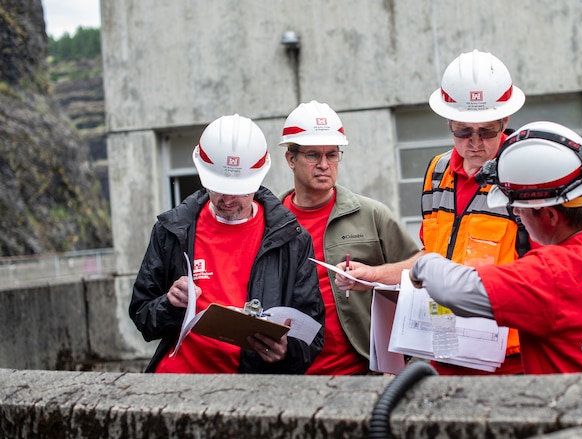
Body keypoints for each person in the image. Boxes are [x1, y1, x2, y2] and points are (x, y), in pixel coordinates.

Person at [410, 121, 582, 383]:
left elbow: (453, 291)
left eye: (518, 209)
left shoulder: (551, 274)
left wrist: (426, 264)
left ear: (551, 216)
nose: (516, 213)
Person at [335, 49, 530, 376]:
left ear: (505, 121)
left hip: (509, 362)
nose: (475, 143)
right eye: (463, 132)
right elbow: (430, 260)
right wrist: (373, 276)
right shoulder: (438, 173)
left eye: (487, 131)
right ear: (448, 122)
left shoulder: (527, 174)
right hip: (443, 349)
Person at [129, 113, 325, 374]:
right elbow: (144, 319)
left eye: (240, 190)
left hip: (250, 389)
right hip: (177, 380)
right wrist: (169, 304)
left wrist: (286, 351)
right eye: (219, 187)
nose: (229, 200)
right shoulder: (172, 230)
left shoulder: (292, 239)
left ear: (257, 179)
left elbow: (312, 334)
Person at [279, 101, 421, 375]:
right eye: (313, 155)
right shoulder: (271, 224)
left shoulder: (372, 215)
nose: (324, 165)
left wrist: (405, 363)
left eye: (332, 155)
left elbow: (418, 278)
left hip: (365, 373)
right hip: (292, 379)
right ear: (291, 158)